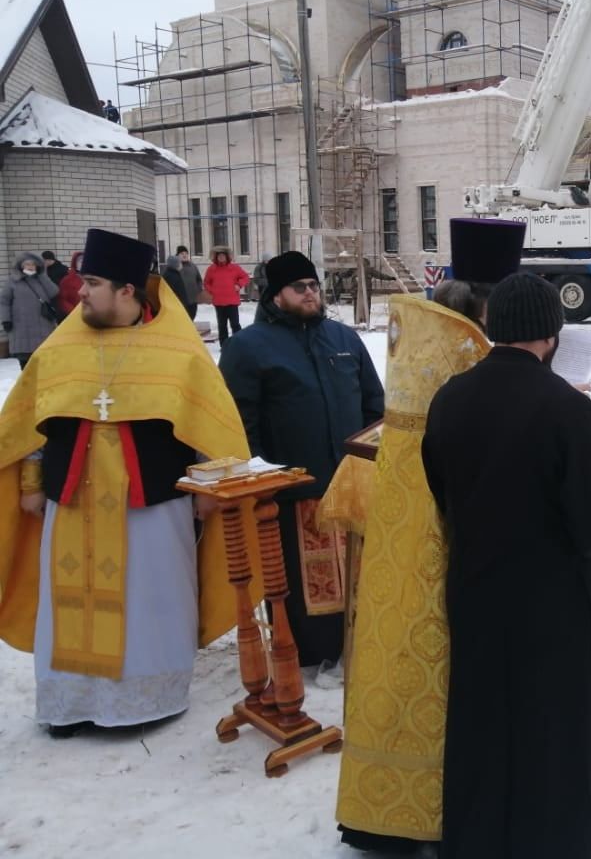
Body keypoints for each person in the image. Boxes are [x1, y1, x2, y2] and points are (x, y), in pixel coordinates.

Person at [0, 228, 253, 737]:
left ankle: (146, 700)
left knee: (151, 601)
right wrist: (30, 480)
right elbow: (32, 428)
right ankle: (69, 705)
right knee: (66, 600)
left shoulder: (177, 352)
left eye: (92, 282)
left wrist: (210, 490)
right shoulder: (60, 348)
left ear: (126, 291)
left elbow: (212, 426)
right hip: (71, 503)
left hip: (153, 506)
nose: (81, 291)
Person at [335, 217, 526, 855]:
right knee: (447, 666)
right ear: (486, 300)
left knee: (404, 662)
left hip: (409, 526)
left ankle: (385, 807)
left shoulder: (421, 333)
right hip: (449, 528)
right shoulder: (467, 349)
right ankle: (443, 806)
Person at [422, 271, 591, 859]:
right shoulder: (567, 408)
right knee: (553, 720)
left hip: (477, 587)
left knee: (482, 715)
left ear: (493, 328)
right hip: (549, 601)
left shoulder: (450, 398)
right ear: (551, 335)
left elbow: (443, 492)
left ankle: (477, 836)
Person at [219, 251, 384, 669]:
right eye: (299, 287)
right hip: (293, 490)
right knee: (308, 585)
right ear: (276, 295)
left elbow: (373, 403)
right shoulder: (247, 347)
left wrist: (370, 457)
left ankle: (360, 645)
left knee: (359, 576)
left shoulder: (343, 339)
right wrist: (263, 477)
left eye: (314, 286)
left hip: (350, 482)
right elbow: (241, 422)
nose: (310, 293)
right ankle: (315, 656)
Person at [1, 252, 61, 369]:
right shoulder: (13, 281)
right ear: (21, 266)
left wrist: (42, 276)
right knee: (26, 364)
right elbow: (4, 302)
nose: (30, 267)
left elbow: (54, 292)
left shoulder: (41, 280)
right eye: (27, 264)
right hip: (21, 327)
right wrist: (6, 320)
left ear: (37, 266)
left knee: (43, 363)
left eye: (33, 264)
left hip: (42, 326)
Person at [204, 247, 251, 343]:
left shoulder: (234, 268)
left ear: (227, 257)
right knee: (222, 325)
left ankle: (239, 343)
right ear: (216, 257)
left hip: (232, 301)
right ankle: (224, 344)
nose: (221, 257)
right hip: (219, 302)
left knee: (235, 324)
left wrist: (239, 285)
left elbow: (245, 277)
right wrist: (212, 290)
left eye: (223, 255)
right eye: (219, 256)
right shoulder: (211, 269)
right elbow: (206, 283)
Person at [173, 245, 202, 319]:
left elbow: (199, 279)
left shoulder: (192, 266)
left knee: (191, 318)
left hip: (192, 300)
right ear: (177, 255)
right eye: (182, 253)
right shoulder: (174, 267)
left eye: (186, 253)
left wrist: (197, 289)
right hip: (179, 300)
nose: (184, 255)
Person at [56, 251, 84, 317]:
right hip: (74, 316)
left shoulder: (94, 279)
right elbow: (62, 299)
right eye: (81, 261)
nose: (83, 263)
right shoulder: (67, 280)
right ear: (75, 263)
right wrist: (74, 312)